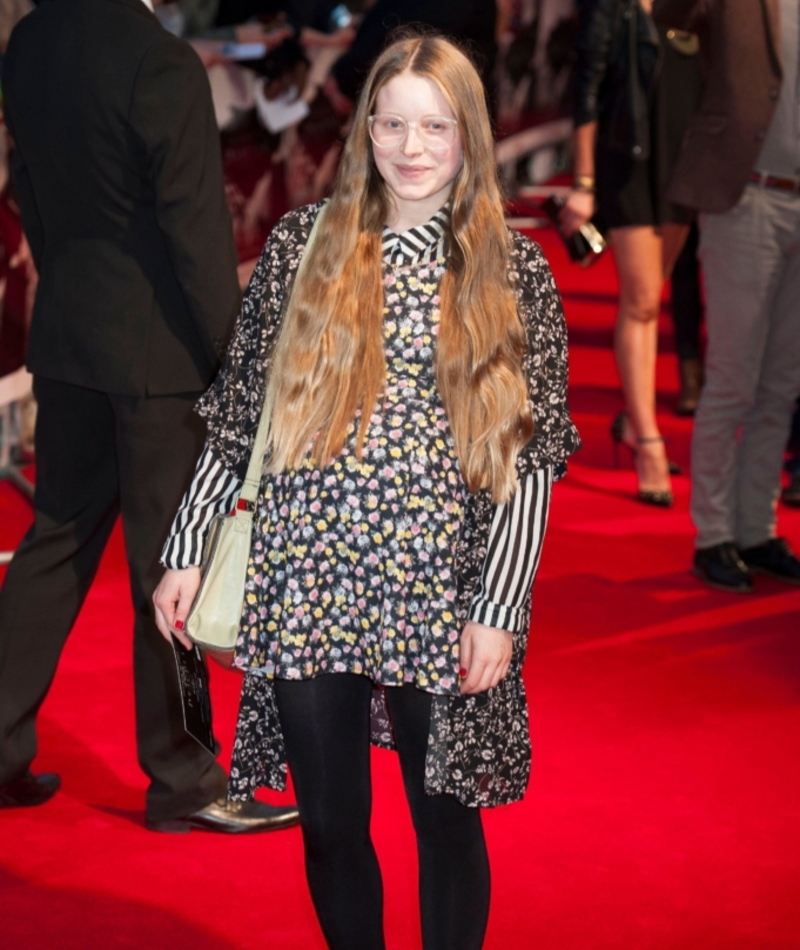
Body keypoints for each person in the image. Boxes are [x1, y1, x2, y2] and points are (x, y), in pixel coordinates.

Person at [154, 32, 579, 949]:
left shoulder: (513, 269)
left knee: (444, 819)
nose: (413, 147)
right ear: (366, 131)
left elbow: (531, 460)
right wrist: (188, 547)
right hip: (308, 572)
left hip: (437, 581)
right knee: (333, 823)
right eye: (393, 123)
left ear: (468, 134)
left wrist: (498, 604)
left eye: (434, 126)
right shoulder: (304, 244)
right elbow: (240, 417)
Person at [0, 0, 299, 833]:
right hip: (160, 358)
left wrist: (71, 296)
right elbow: (197, 233)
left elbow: (27, 187)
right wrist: (235, 363)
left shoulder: (30, 40)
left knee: (55, 538)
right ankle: (187, 779)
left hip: (69, 338)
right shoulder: (158, 62)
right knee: (173, 567)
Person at [653, 0, 800, 592]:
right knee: (734, 380)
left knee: (782, 386)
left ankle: (756, 529)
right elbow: (669, 13)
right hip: (746, 198)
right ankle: (714, 534)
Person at [561, 0, 701, 506]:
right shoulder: (614, 5)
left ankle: (632, 424)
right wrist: (582, 182)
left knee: (653, 295)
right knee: (641, 302)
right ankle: (647, 440)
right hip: (630, 163)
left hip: (685, 167)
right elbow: (588, 88)